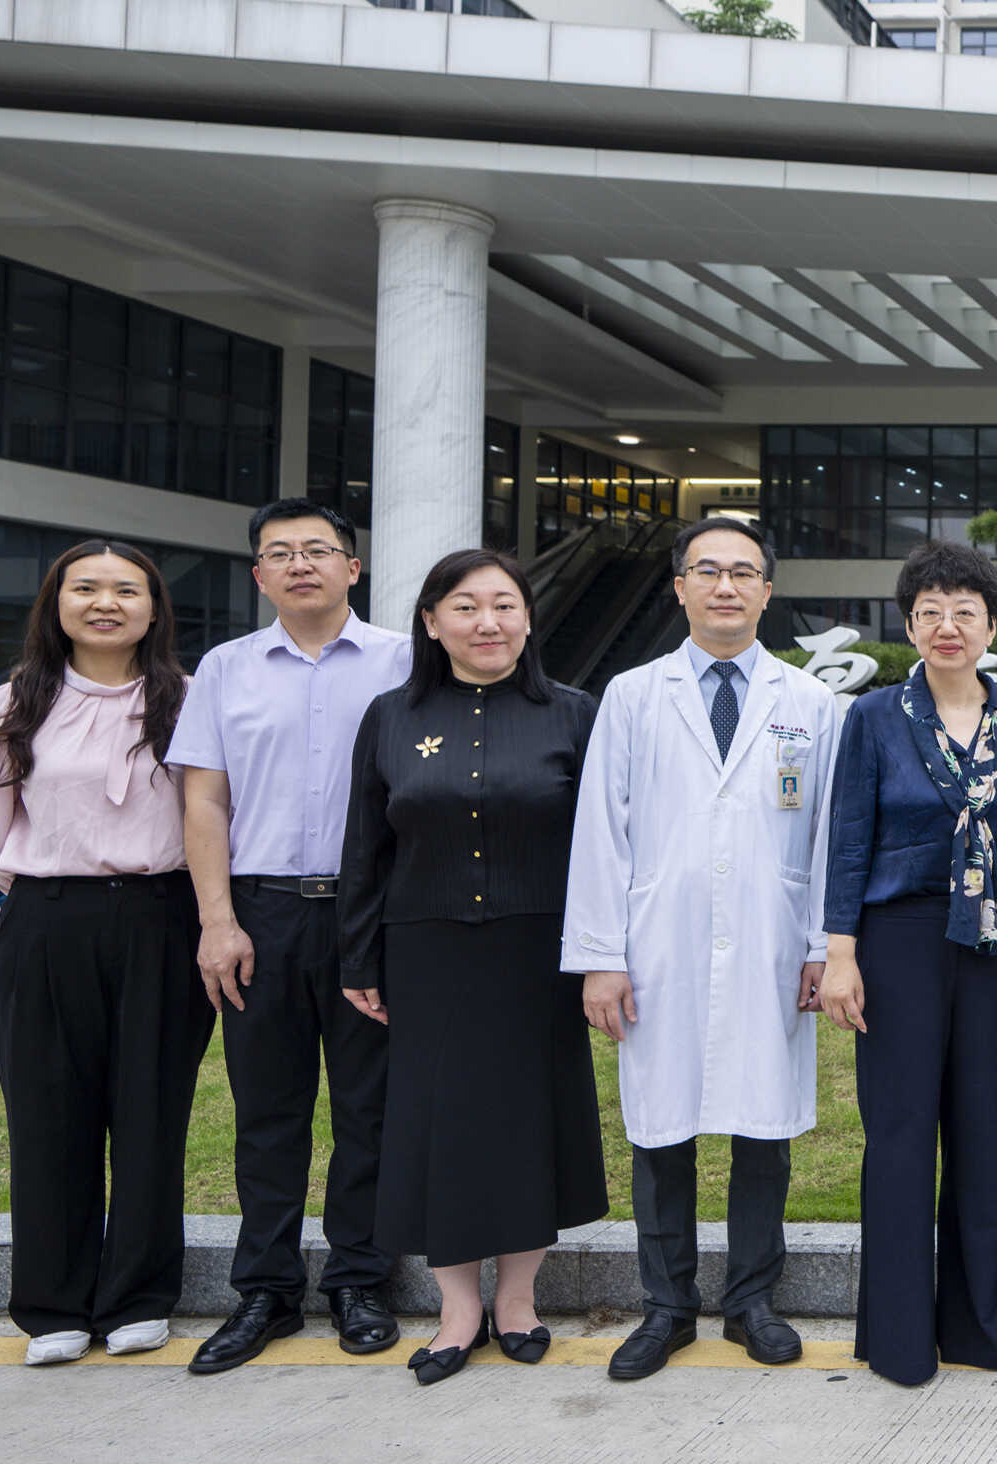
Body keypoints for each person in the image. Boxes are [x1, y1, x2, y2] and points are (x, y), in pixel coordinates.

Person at [563, 515, 844, 1381]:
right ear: (680, 587)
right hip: (658, 945)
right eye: (708, 571)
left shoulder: (811, 704)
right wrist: (602, 955)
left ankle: (753, 1301)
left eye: (743, 572)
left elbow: (829, 836)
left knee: (764, 1130)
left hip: (771, 941)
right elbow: (601, 831)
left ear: (767, 590)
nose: (726, 586)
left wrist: (820, 946)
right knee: (661, 1129)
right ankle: (667, 1306)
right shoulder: (632, 696)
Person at [336, 550, 607, 1386]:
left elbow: (606, 845)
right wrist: (357, 954)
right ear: (430, 622)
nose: (487, 622)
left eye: (504, 605)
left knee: (529, 1120)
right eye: (464, 606)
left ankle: (519, 1300)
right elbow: (364, 846)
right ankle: (456, 1309)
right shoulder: (390, 716)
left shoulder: (575, 714)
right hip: (427, 950)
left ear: (528, 618)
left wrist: (604, 951)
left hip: (540, 951)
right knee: (436, 1125)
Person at [171, 499, 413, 1374]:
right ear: (259, 576)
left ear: (353, 567)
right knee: (267, 1111)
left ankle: (358, 1279)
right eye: (281, 553)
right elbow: (204, 800)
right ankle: (266, 1290)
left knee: (368, 1108)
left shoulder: (406, 661)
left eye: (318, 549)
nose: (300, 564)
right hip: (261, 911)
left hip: (372, 912)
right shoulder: (225, 669)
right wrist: (217, 920)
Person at [0, 542, 207, 1367]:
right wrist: (53, 887)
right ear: (56, 603)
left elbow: (211, 812)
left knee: (151, 1110)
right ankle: (53, 1306)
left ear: (153, 607)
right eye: (86, 588)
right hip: (48, 919)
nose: (106, 603)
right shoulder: (10, 704)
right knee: (46, 1114)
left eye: (126, 589)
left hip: (162, 917)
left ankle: (139, 1297)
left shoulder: (190, 701)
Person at [817, 542, 997, 1388]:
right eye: (930, 612)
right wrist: (840, 953)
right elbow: (850, 837)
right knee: (902, 1132)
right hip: (899, 937)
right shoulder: (876, 716)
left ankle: (985, 1328)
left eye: (966, 612)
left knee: (986, 1128)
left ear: (991, 626)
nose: (948, 627)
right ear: (909, 625)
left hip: (994, 936)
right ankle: (901, 1339)